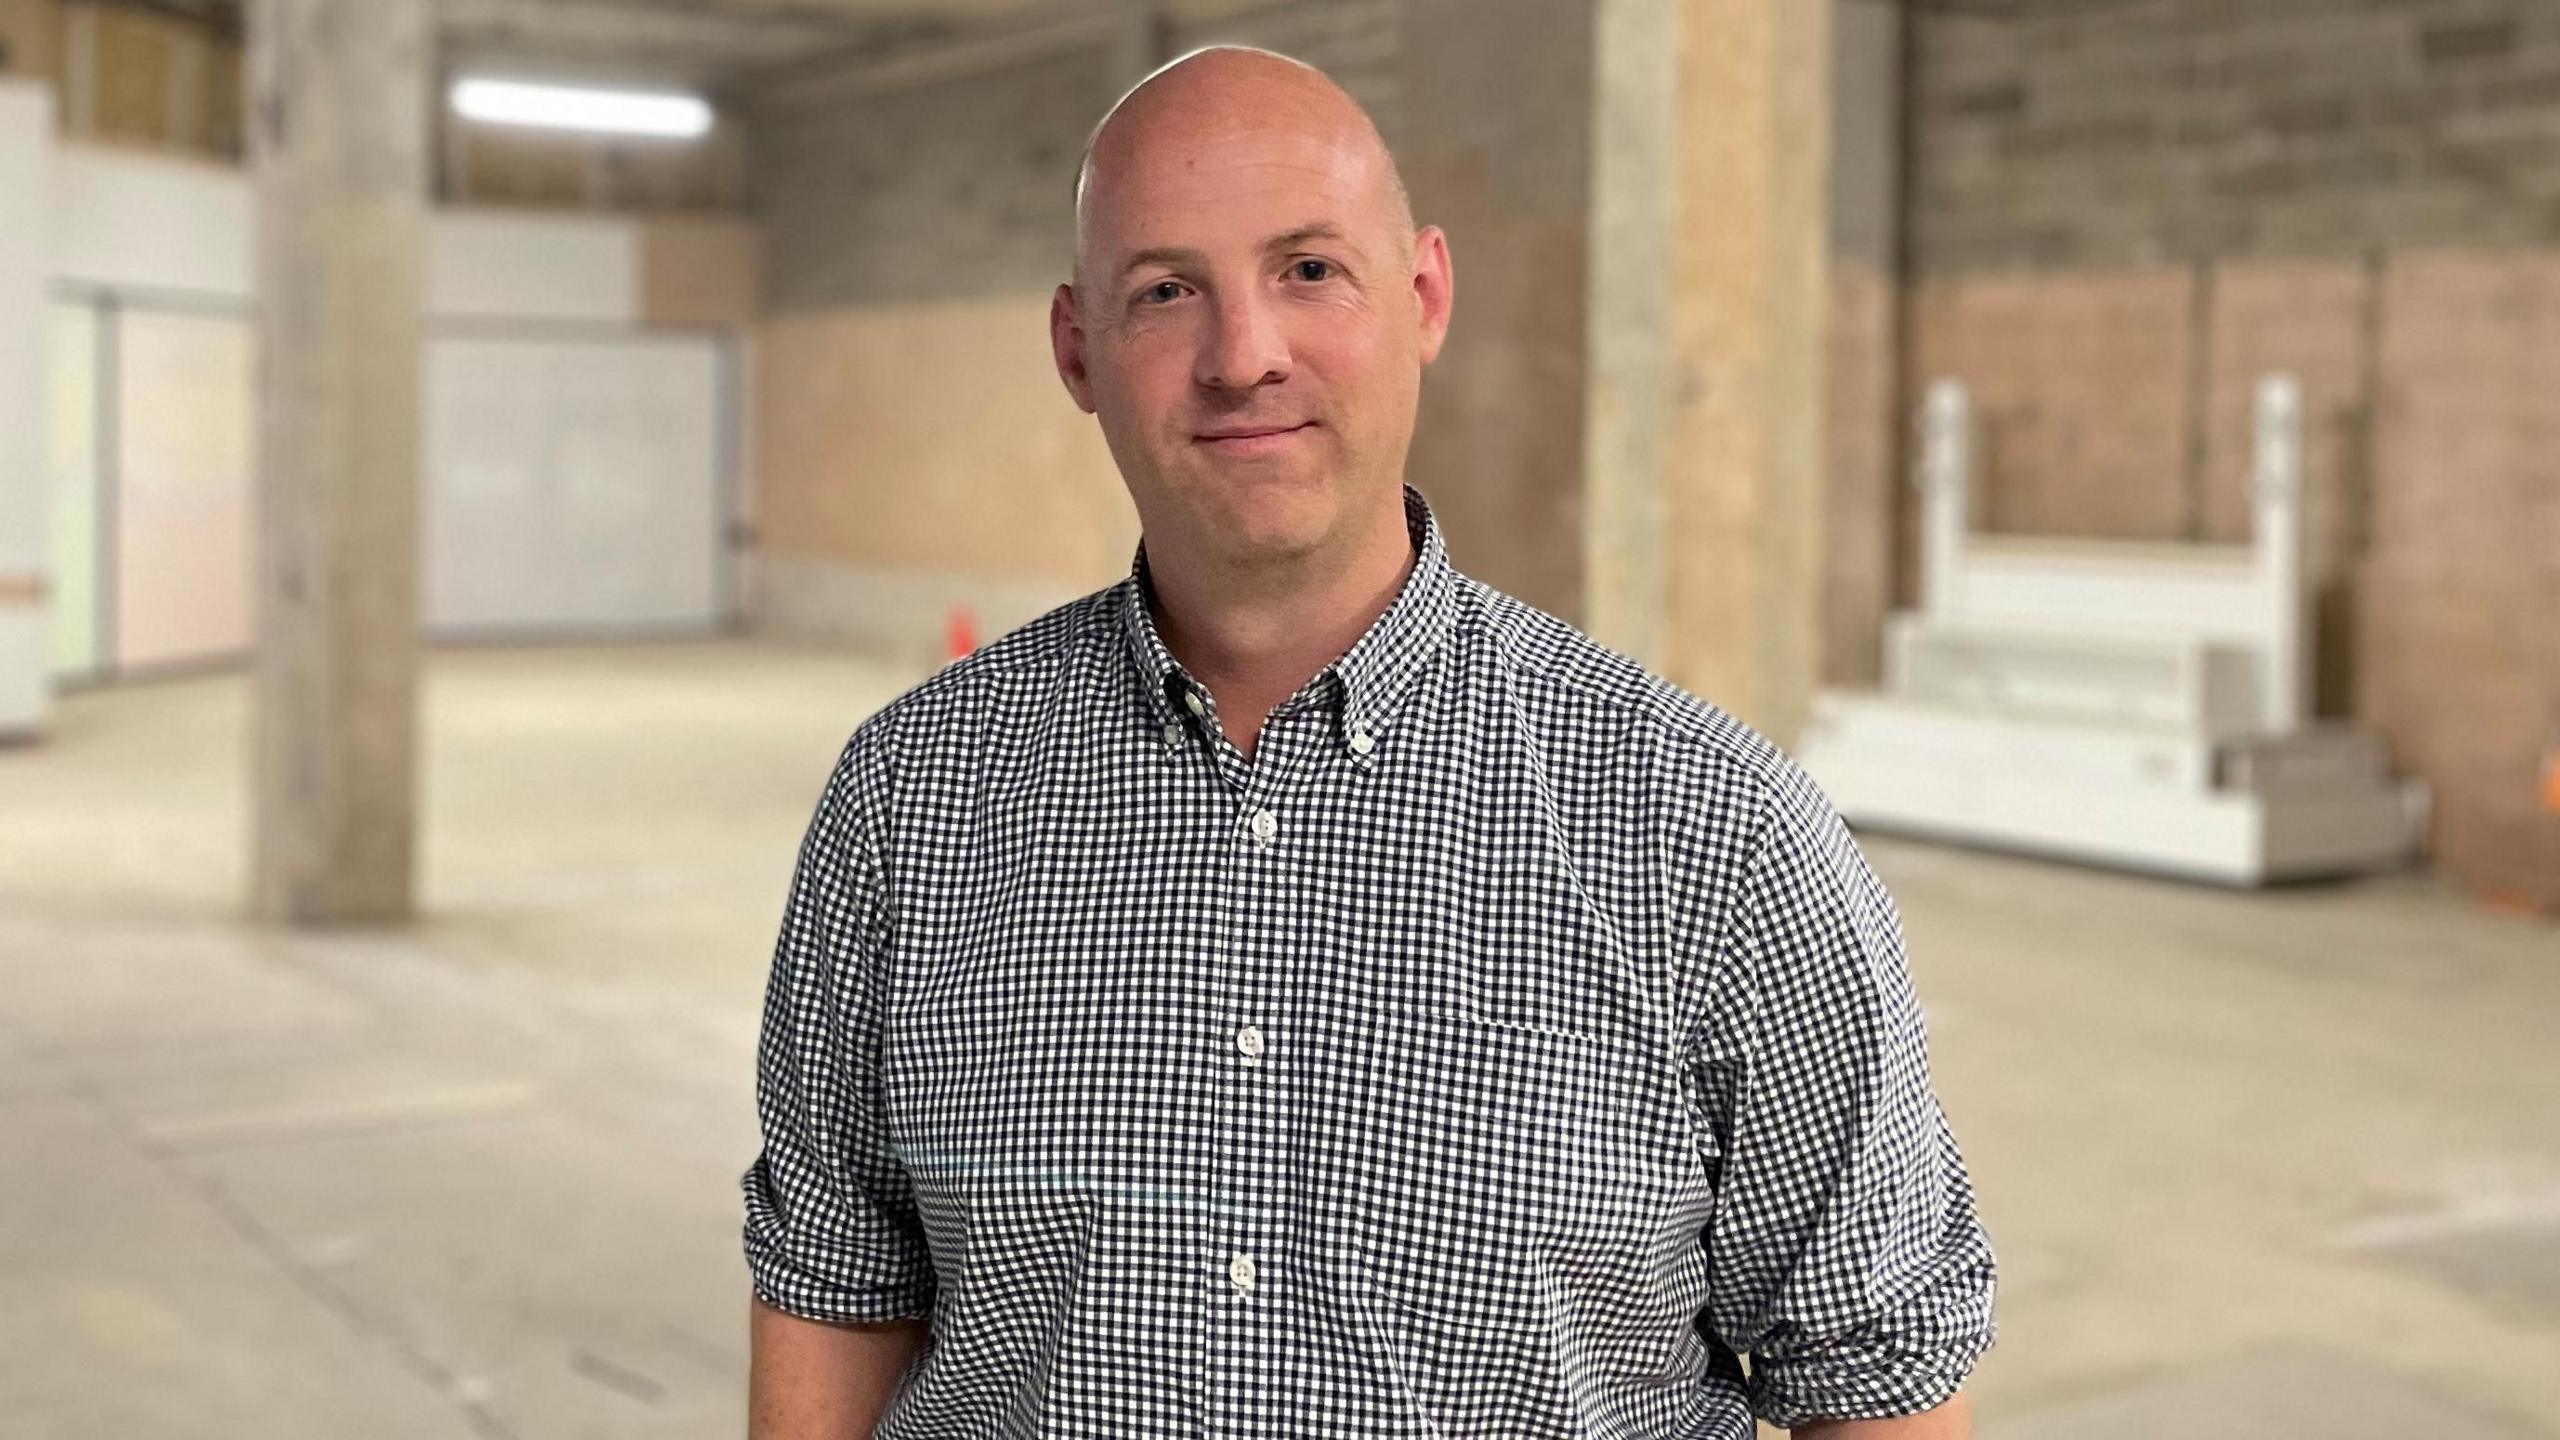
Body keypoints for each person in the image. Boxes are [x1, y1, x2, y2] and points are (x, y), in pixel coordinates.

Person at [741, 44, 1995, 1440]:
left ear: (1426, 298)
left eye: (1310, 271)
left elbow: (1871, 1377)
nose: (1244, 356)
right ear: (1078, 351)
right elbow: (835, 1282)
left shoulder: (1715, 833)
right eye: (1166, 292)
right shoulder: (911, 800)